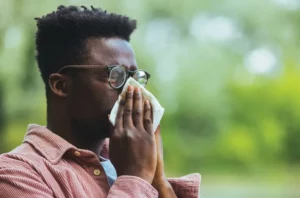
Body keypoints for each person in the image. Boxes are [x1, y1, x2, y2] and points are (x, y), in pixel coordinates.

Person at [0, 5, 200, 198]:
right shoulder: (15, 174)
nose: (132, 89)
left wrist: (157, 179)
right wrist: (134, 177)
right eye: (115, 75)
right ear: (61, 86)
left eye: (134, 77)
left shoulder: (127, 162)